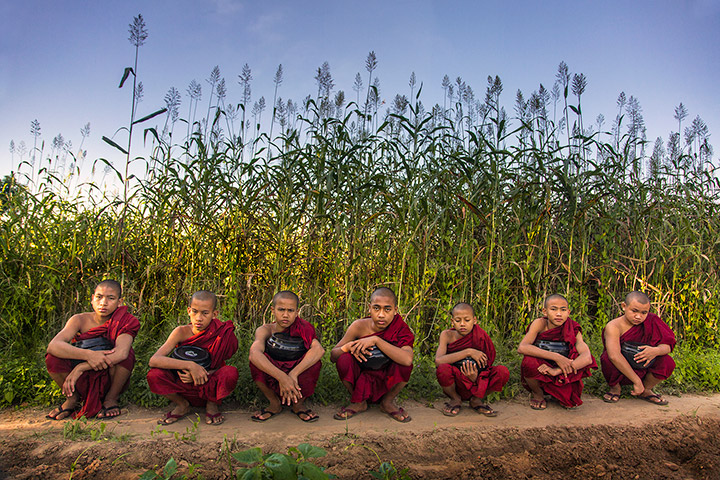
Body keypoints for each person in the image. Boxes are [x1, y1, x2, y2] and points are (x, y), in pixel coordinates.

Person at [45, 279, 140, 420]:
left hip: (109, 375)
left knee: (128, 356)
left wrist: (82, 367)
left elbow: (121, 353)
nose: (103, 303)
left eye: (111, 298)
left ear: (120, 302)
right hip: (81, 380)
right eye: (99, 297)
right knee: (52, 357)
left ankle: (111, 399)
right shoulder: (79, 320)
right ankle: (73, 398)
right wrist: (88, 355)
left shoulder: (125, 321)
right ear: (92, 299)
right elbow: (54, 345)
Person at [147, 291, 238, 425]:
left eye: (205, 313)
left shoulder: (221, 334)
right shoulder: (181, 332)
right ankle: (181, 404)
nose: (198, 318)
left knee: (230, 372)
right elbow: (154, 360)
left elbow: (220, 367)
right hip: (181, 384)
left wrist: (201, 374)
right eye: (194, 312)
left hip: (209, 386)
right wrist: (190, 366)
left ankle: (212, 405)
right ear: (189, 311)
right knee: (154, 375)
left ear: (214, 314)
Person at [330, 287, 414, 422]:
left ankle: (387, 402)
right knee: (343, 359)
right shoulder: (359, 326)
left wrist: (376, 340)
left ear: (395, 310)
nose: (381, 315)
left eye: (387, 309)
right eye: (376, 308)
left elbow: (407, 359)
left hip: (387, 376)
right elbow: (333, 356)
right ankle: (359, 402)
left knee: (404, 366)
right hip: (362, 374)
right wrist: (346, 347)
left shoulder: (400, 328)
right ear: (369, 308)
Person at [248, 291, 325, 422]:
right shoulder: (265, 330)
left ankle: (298, 405)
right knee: (256, 363)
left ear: (297, 312)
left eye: (290, 310)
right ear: (273, 310)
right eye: (281, 310)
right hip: (275, 372)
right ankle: (274, 404)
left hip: (296, 374)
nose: (285, 315)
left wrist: (293, 374)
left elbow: (319, 350)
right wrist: (282, 377)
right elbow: (254, 354)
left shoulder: (303, 328)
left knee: (315, 363)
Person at [517, 294, 597, 410]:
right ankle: (538, 393)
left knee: (568, 401)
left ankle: (558, 392)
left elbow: (587, 357)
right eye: (553, 309)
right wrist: (556, 357)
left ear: (568, 312)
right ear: (545, 311)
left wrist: (557, 370)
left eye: (563, 310)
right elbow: (523, 347)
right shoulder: (540, 324)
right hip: (542, 366)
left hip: (563, 370)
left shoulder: (573, 328)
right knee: (528, 362)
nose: (559, 314)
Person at [600, 291, 675, 405]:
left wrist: (655, 351)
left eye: (644, 312)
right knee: (606, 358)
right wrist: (636, 381)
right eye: (634, 311)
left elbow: (668, 345)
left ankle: (646, 389)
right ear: (624, 306)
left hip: (645, 364)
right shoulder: (614, 326)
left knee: (667, 362)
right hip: (621, 367)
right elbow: (614, 356)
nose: (638, 316)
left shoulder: (652, 320)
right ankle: (615, 388)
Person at [435, 302, 509, 417]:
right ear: (452, 321)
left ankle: (477, 399)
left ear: (474, 320)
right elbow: (438, 361)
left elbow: (487, 365)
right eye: (458, 320)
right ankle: (455, 399)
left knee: (502, 371)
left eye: (467, 320)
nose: (462, 324)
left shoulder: (480, 336)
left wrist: (475, 378)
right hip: (457, 379)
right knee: (442, 369)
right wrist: (468, 352)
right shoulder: (447, 335)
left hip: (478, 376)